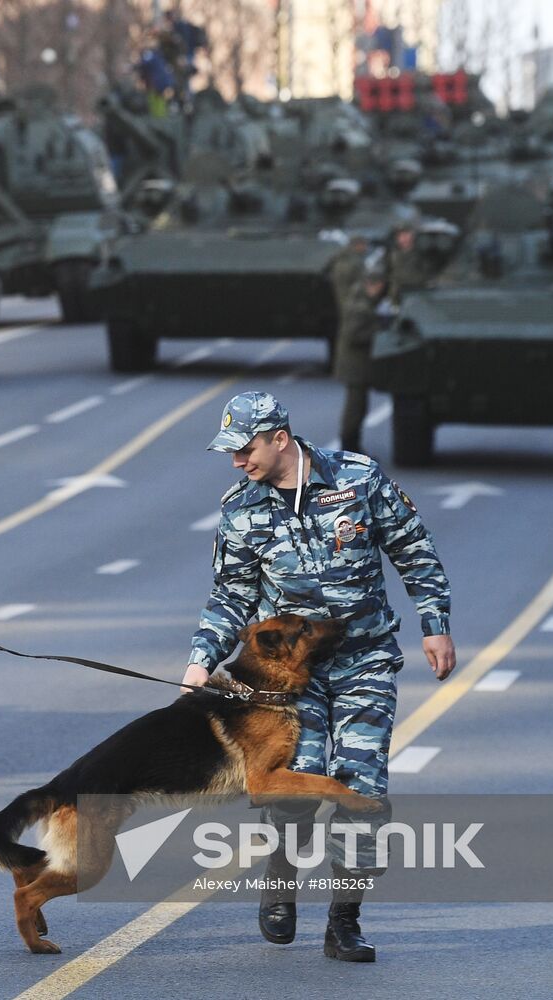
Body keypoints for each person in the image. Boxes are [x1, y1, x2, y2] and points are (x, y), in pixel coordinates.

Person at [181, 391, 456, 963]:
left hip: (364, 661)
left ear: (280, 438)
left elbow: (414, 550)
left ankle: (344, 921)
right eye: (231, 452)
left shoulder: (358, 479)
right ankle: (280, 880)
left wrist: (434, 625)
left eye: (245, 449)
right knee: (296, 785)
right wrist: (200, 660)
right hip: (285, 681)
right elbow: (231, 595)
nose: (237, 461)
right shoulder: (241, 508)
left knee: (362, 792)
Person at [334, 265, 389, 454]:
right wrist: (379, 331)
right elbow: (354, 335)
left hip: (357, 366)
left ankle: (352, 445)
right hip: (355, 367)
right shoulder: (360, 307)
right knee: (355, 409)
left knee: (359, 407)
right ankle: (349, 445)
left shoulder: (363, 301)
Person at [385, 222, 427, 306]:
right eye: (400, 235)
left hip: (418, 295)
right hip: (397, 297)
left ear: (413, 235)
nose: (404, 238)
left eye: (406, 234)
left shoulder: (422, 254)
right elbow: (387, 275)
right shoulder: (392, 255)